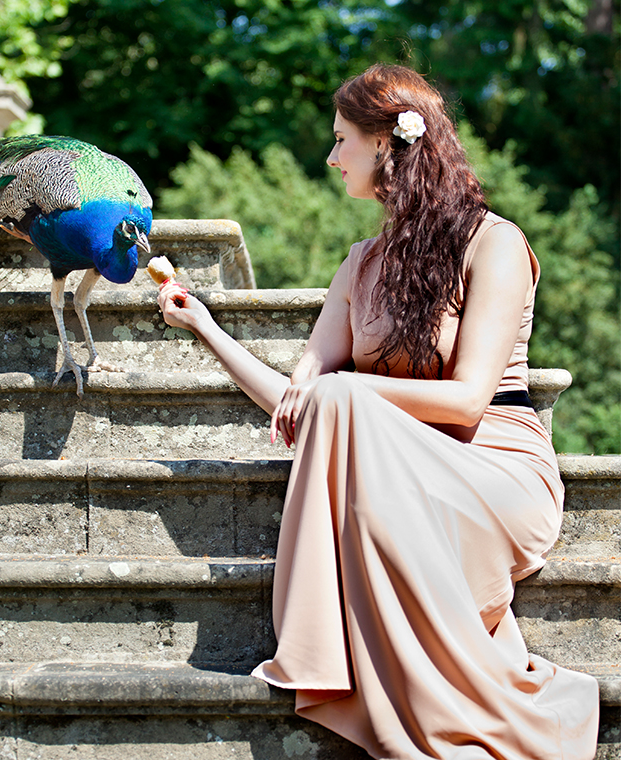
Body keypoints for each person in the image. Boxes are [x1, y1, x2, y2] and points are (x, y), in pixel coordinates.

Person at [157, 63, 600, 760]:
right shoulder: (360, 263)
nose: (331, 157)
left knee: (349, 416)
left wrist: (353, 391)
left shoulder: (496, 243)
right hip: (395, 479)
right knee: (346, 431)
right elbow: (303, 404)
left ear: (386, 143)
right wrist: (206, 327)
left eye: (342, 139)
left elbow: (468, 400)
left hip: (496, 467)